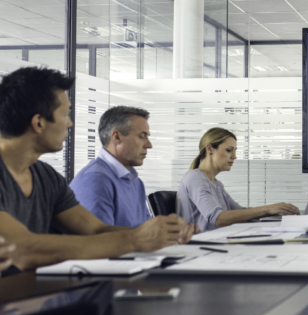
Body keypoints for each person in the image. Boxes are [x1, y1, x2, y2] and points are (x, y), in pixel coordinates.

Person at [0, 67, 196, 274]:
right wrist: (134, 239)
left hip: (32, 298)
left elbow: (95, 229)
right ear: (39, 122)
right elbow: (21, 249)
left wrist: (161, 233)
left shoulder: (46, 176)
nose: (70, 123)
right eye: (65, 115)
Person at [177, 127, 300, 232]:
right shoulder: (194, 177)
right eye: (229, 150)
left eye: (235, 151)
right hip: (202, 249)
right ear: (209, 149)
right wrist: (267, 209)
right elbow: (218, 219)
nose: (234, 156)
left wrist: (274, 211)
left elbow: (240, 212)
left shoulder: (217, 185)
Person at [69, 106, 153, 227]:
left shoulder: (136, 182)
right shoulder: (95, 180)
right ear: (117, 137)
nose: (149, 145)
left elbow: (147, 234)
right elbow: (99, 242)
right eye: (142, 136)